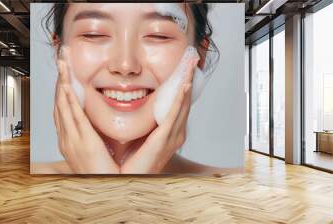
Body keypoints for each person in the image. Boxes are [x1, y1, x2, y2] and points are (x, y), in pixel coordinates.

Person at [31, 3, 238, 175]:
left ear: (199, 57)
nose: (125, 65)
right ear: (59, 51)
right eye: (94, 34)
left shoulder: (236, 194)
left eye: (159, 35)